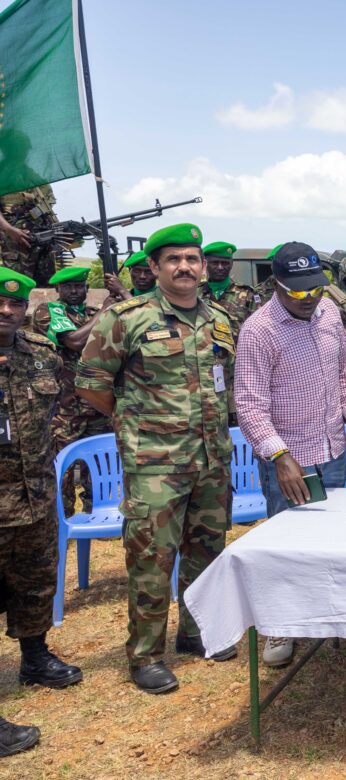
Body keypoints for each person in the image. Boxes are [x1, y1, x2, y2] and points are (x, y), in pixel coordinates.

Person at [76, 223, 238, 694]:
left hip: (211, 459)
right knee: (151, 559)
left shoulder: (220, 319)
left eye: (192, 259)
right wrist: (137, 426)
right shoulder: (127, 318)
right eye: (173, 260)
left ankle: (196, 632)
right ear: (154, 267)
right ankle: (145, 655)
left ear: (203, 267)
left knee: (206, 552)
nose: (184, 267)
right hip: (155, 466)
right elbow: (90, 384)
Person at [235, 241, 346, 667]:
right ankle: (279, 626)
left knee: (329, 538)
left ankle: (322, 613)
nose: (309, 298)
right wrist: (278, 455)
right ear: (276, 285)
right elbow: (250, 405)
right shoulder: (259, 331)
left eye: (315, 288)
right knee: (284, 543)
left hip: (331, 448)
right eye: (298, 291)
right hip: (288, 459)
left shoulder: (329, 313)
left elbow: (345, 374)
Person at [0, 267, 84, 757]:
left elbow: (61, 412)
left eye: (16, 303)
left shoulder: (41, 354)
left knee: (35, 584)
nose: (7, 311)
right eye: (0, 302)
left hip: (34, 497)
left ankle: (35, 658)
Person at [31, 265, 114, 515]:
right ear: (58, 289)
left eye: (79, 286)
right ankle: (62, 518)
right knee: (62, 467)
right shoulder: (50, 310)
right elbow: (74, 341)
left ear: (87, 289)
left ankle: (98, 513)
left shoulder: (91, 313)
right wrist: (105, 312)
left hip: (97, 403)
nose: (75, 291)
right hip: (64, 406)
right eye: (68, 287)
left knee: (100, 465)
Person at [0, 185, 59, 287]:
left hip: (43, 236)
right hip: (16, 239)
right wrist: (10, 230)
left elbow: (48, 203)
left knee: (47, 283)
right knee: (16, 285)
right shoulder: (4, 175)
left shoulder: (35, 176)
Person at [198, 242, 259, 337]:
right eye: (215, 263)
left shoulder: (248, 294)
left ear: (231, 264)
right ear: (205, 264)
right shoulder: (195, 292)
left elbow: (257, 329)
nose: (220, 267)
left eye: (225, 263)